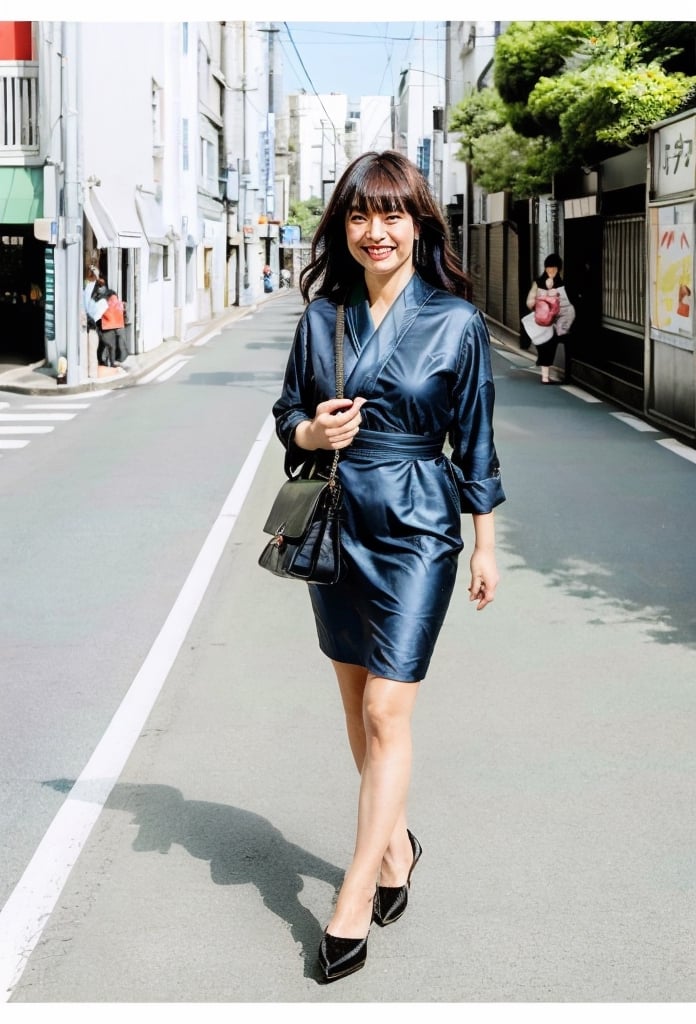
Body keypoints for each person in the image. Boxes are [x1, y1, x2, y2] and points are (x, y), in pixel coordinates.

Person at [271, 150, 506, 982]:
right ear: (343, 226)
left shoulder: (456, 322)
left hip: (418, 524)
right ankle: (399, 847)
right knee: (352, 701)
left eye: (394, 214)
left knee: (385, 712)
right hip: (339, 517)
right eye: (362, 216)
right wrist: (311, 434)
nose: (379, 231)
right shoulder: (322, 318)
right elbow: (287, 413)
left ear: (419, 224)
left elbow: (473, 439)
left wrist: (485, 542)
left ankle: (354, 893)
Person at [520, 253, 575, 384]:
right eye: (549, 268)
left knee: (548, 345)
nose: (551, 271)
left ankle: (549, 376)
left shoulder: (539, 282)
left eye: (553, 269)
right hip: (550, 323)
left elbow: (529, 303)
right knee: (551, 344)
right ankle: (550, 376)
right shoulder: (561, 283)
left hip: (550, 323)